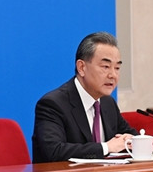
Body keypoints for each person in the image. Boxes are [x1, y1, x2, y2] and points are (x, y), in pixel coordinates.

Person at [32, 32, 138, 163]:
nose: (113, 75)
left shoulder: (107, 102)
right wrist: (106, 147)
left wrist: (132, 140)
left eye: (117, 68)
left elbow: (129, 134)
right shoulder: (53, 104)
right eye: (105, 67)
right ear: (81, 68)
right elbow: (54, 151)